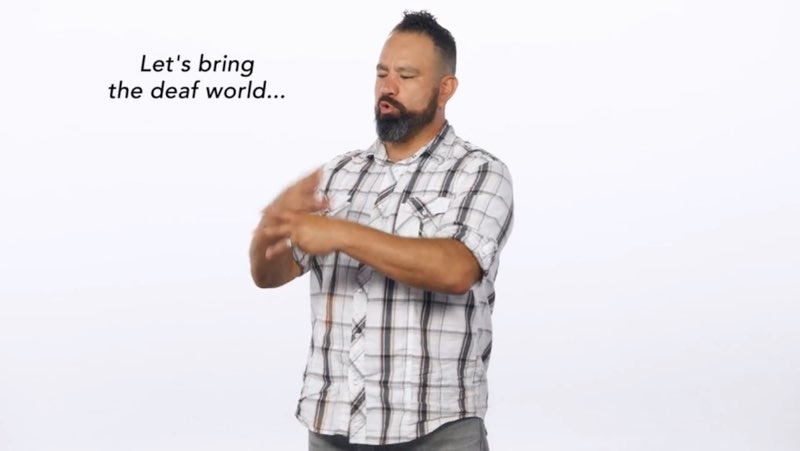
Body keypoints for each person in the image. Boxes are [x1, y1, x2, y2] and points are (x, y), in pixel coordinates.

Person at [249, 10, 514, 450]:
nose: (388, 87)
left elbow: (457, 270)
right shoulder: (338, 174)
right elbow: (267, 275)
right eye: (381, 73)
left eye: (406, 76)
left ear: (446, 88)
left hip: (437, 431)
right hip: (333, 429)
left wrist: (341, 234)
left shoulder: (480, 172)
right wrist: (270, 227)